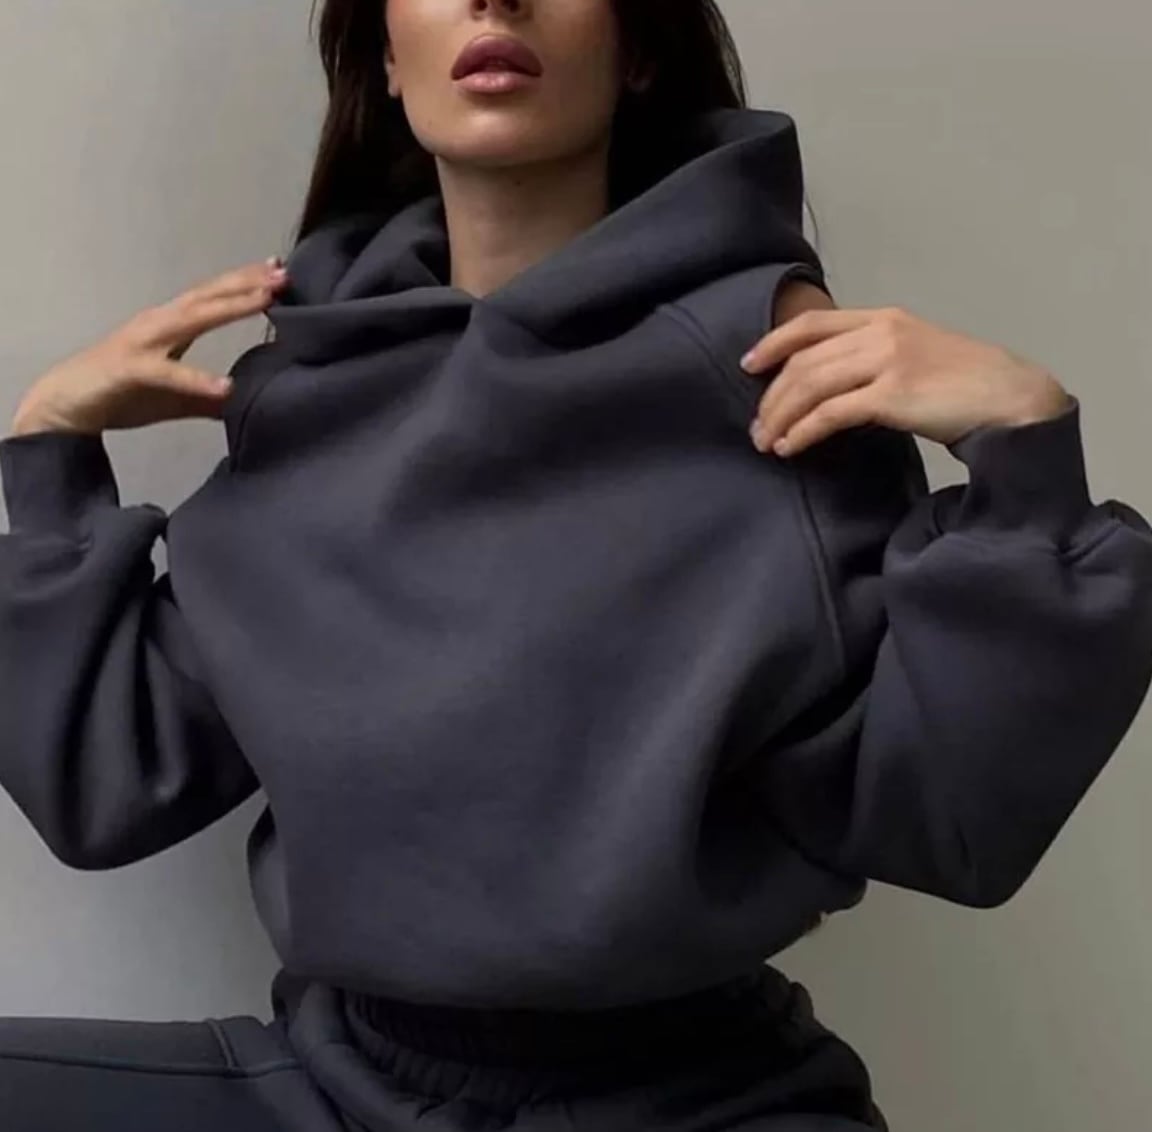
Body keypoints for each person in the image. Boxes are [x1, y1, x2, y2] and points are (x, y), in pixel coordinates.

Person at [1, 0, 1150, 1128]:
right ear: (385, 58)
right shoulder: (309, 396)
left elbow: (946, 820)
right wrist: (48, 446)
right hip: (337, 1082)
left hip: (699, 1098)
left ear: (637, 50)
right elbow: (111, 781)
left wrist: (1024, 459)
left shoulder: (777, 378)